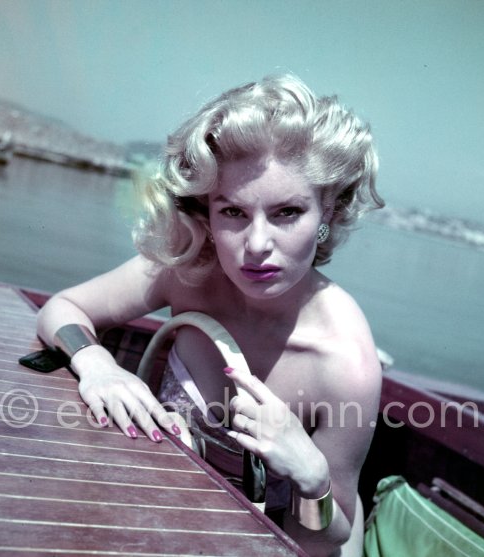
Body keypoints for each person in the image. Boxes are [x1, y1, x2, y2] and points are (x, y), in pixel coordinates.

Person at [37, 74, 384, 556]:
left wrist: (312, 479)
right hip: (164, 515)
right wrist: (96, 365)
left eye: (287, 212)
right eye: (233, 213)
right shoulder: (187, 270)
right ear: (205, 213)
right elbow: (65, 307)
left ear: (328, 211)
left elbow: (322, 540)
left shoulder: (345, 364)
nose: (257, 246)